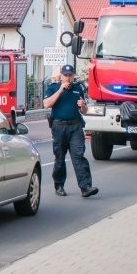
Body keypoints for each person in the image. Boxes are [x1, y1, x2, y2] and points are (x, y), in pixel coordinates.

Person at [42, 63, 98, 198]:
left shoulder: (78, 89)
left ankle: (86, 187)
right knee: (60, 157)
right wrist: (60, 90)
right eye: (65, 75)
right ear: (61, 76)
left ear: (73, 76)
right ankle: (59, 185)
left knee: (79, 156)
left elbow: (84, 111)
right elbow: (46, 104)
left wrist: (83, 106)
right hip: (59, 126)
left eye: (70, 75)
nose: (68, 78)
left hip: (75, 126)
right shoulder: (53, 88)